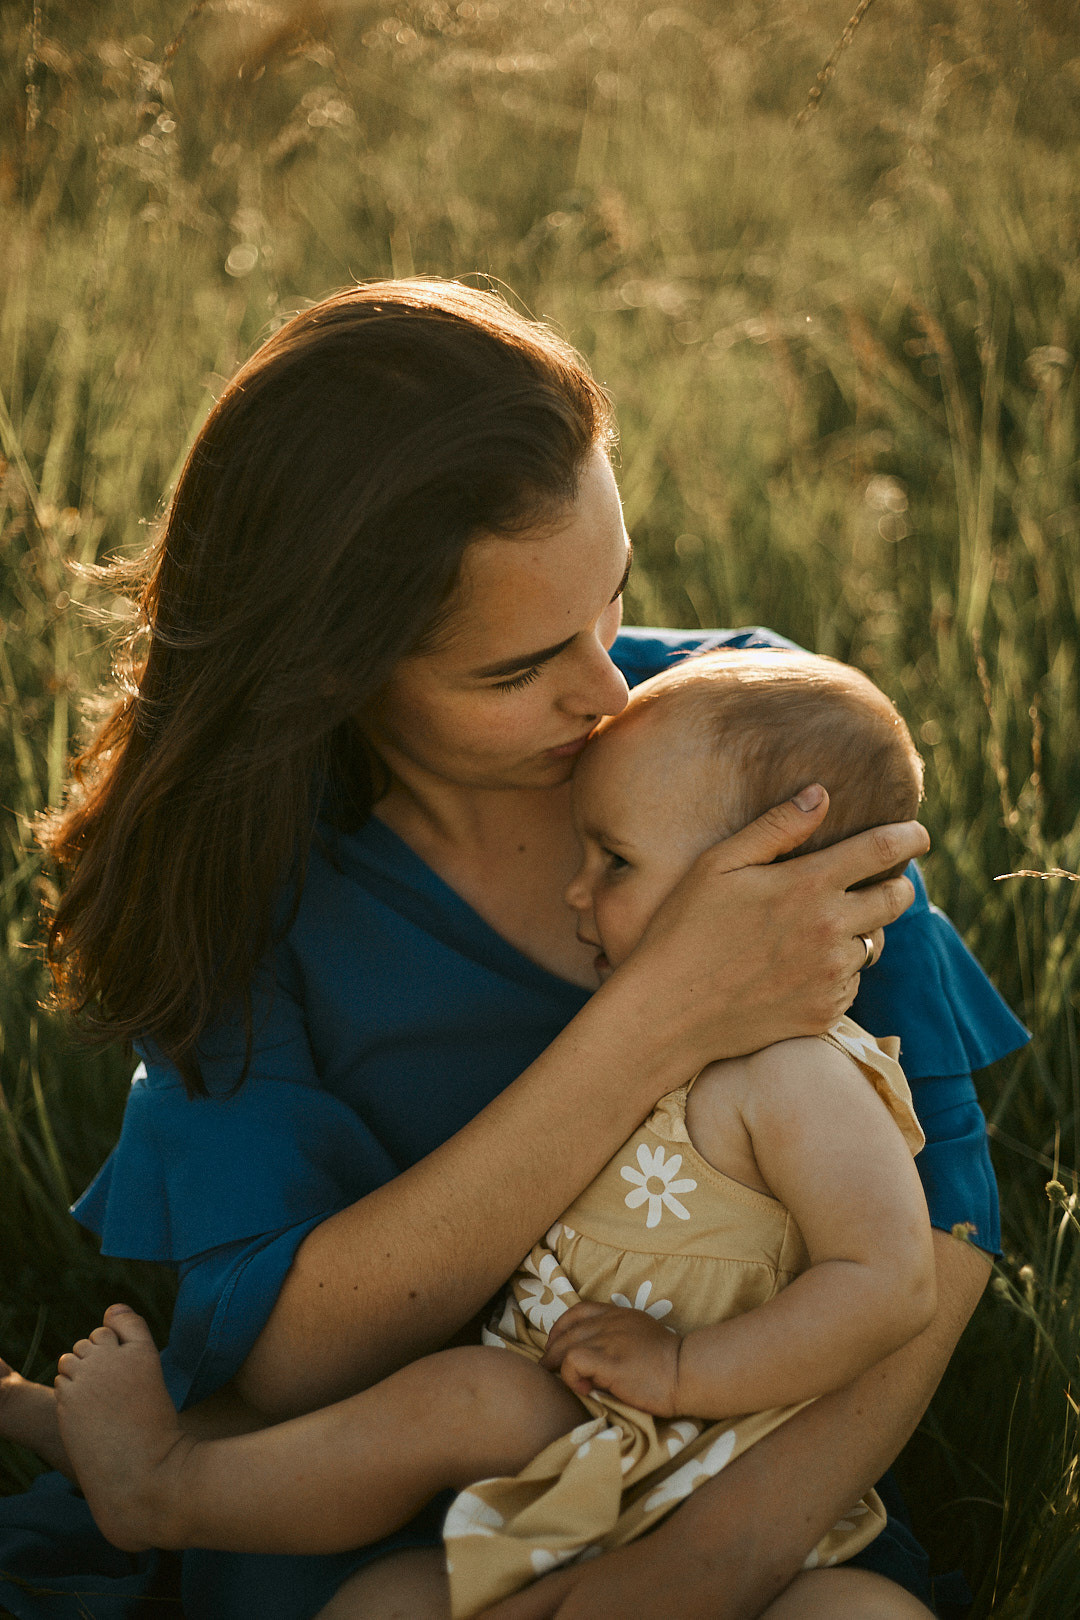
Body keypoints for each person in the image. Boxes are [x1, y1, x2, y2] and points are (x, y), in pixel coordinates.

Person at [0, 280, 1026, 1620]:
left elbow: (944, 1226)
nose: (609, 691)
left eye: (612, 598)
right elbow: (293, 1357)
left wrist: (692, 1572)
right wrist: (656, 1018)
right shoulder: (250, 879)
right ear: (329, 670)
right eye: (516, 668)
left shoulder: (754, 749)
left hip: (743, 1486)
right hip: (377, 1500)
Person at [50, 649, 938, 1620]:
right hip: (573, 1444)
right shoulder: (648, 1046)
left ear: (766, 876)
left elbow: (889, 1282)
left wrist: (686, 1372)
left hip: (736, 1453)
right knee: (413, 1518)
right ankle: (161, 1488)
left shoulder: (799, 1074)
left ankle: (161, 1478)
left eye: (615, 862)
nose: (574, 890)